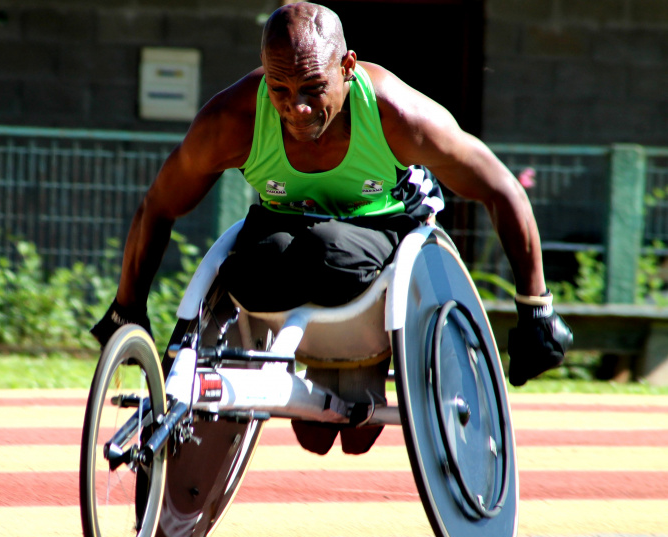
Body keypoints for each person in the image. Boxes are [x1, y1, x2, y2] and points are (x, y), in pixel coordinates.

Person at [91, 3, 572, 392]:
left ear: (347, 67)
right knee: (251, 268)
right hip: (286, 233)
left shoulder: (394, 114)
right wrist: (126, 309)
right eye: (279, 88)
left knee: (326, 251)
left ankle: (356, 369)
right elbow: (160, 203)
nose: (296, 108)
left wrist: (536, 308)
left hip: (380, 228)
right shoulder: (232, 120)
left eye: (313, 88)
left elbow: (500, 186)